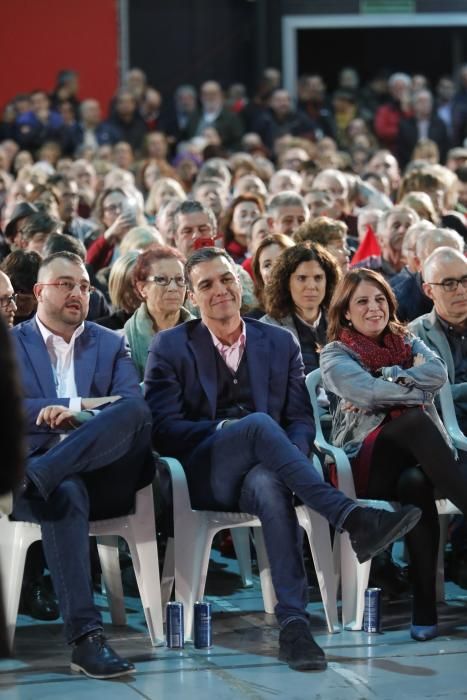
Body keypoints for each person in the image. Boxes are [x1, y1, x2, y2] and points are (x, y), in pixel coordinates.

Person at [144, 246, 421, 671]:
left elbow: (299, 418)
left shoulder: (278, 340)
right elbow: (162, 429)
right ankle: (351, 517)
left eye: (225, 280)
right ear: (191, 298)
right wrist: (223, 431)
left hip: (266, 471)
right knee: (255, 425)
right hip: (204, 472)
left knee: (271, 487)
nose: (219, 291)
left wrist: (285, 459)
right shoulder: (170, 346)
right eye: (205, 285)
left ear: (240, 284)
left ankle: (293, 624)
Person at [11, 251, 155, 678]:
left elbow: (130, 404)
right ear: (39, 292)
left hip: (103, 473)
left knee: (135, 413)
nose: (78, 293)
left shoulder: (109, 342)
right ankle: (86, 639)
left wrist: (80, 417)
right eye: (66, 284)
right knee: (65, 489)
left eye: (85, 286)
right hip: (45, 481)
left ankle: (44, 475)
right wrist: (66, 406)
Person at [320, 268, 467, 641]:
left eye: (380, 299)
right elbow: (368, 394)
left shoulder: (408, 339)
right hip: (362, 464)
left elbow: (437, 374)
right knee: (416, 421)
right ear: (346, 312)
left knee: (416, 484)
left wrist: (386, 377)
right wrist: (407, 381)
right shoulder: (336, 354)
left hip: (413, 464)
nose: (374, 308)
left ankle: (425, 613)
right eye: (363, 302)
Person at [261, 243, 339, 374]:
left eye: (318, 278)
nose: (311, 286)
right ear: (286, 282)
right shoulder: (267, 330)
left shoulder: (341, 323)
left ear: (328, 281)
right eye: (301, 278)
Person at [125, 246, 194, 380]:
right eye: (161, 280)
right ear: (142, 288)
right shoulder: (122, 342)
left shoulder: (204, 333)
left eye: (180, 280)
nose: (173, 288)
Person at [247, 233, 294, 318]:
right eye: (267, 265)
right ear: (259, 274)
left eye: (281, 261)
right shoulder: (253, 320)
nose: (274, 270)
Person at [220, 194, 264, 264]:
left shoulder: (266, 250)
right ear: (231, 223)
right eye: (243, 215)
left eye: (254, 215)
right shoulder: (222, 255)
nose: (249, 220)